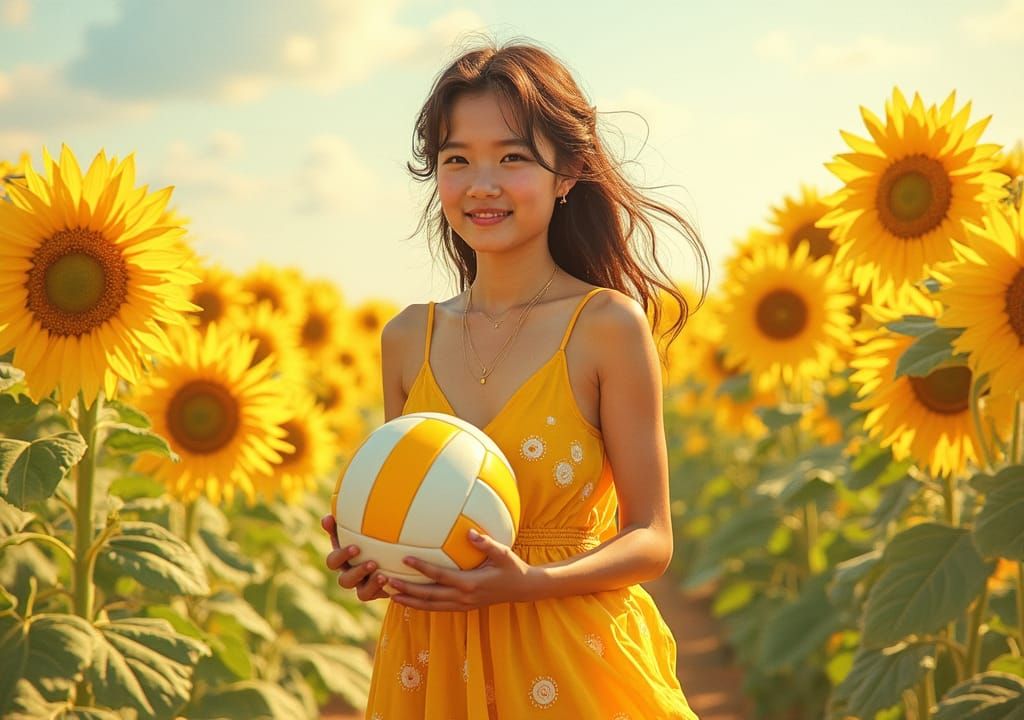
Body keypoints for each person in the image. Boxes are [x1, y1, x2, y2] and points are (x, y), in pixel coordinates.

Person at [321, 35, 708, 719]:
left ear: (568, 174)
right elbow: (415, 511)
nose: (482, 184)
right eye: (457, 160)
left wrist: (526, 583)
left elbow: (651, 537)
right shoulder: (407, 337)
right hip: (432, 668)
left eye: (513, 158)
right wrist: (377, 561)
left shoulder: (606, 326)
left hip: (569, 658)